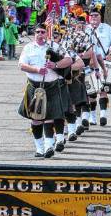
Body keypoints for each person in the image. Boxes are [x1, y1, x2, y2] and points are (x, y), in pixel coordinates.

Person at [18, 23, 73, 158]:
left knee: (50, 117)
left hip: (52, 86)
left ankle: (49, 146)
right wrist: (37, 69)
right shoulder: (28, 47)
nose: (40, 34)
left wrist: (55, 64)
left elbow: (69, 60)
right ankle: (39, 148)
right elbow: (21, 65)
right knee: (36, 119)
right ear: (34, 33)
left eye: (43, 32)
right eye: (37, 32)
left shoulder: (54, 46)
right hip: (34, 86)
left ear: (47, 33)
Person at [86, 7, 111, 126]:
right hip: (89, 64)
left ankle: (103, 115)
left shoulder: (107, 29)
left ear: (100, 17)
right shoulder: (85, 29)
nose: (94, 18)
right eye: (92, 15)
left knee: (104, 90)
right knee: (91, 93)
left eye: (96, 15)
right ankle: (92, 116)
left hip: (103, 63)